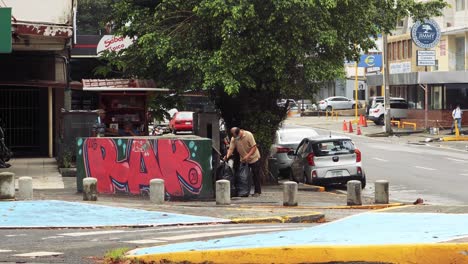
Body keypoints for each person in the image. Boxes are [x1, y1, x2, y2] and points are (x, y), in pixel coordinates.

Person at [224, 127, 261, 197]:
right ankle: (244, 190)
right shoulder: (234, 139)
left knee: (255, 174)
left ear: (239, 133)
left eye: (235, 135)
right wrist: (227, 156)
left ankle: (257, 191)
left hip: (254, 158)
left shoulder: (248, 135)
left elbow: (254, 147)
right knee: (243, 175)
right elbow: (231, 149)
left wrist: (248, 156)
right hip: (243, 159)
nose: (234, 137)